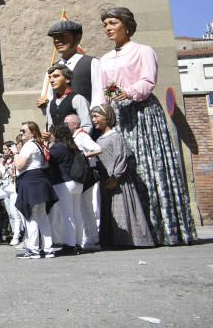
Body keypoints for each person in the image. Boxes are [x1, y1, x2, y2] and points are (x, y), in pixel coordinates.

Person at [99, 6, 196, 246]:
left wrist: (128, 92)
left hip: (142, 114)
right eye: (105, 25)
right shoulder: (105, 59)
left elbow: (148, 81)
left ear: (126, 25)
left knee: (148, 167)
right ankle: (131, 230)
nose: (108, 28)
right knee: (123, 170)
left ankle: (162, 228)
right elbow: (107, 87)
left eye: (112, 23)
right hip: (119, 116)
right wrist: (111, 101)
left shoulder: (143, 51)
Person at [91, 105, 154, 248]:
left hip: (118, 181)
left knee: (121, 209)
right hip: (105, 179)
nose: (94, 120)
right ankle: (112, 240)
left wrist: (115, 177)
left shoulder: (115, 136)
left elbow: (120, 157)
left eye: (96, 116)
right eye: (93, 116)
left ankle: (129, 240)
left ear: (107, 117)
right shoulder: (100, 138)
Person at [36, 18, 106, 109]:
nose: (57, 40)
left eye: (62, 36)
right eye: (55, 37)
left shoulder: (91, 63)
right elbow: (49, 97)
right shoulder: (52, 69)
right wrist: (44, 103)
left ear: (77, 37)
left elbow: (99, 94)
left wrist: (95, 116)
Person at [13, 122, 57, 259]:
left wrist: (15, 154)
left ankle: (33, 249)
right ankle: (48, 248)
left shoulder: (29, 145)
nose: (21, 133)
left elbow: (20, 165)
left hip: (31, 181)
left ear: (32, 132)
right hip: (40, 180)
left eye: (24, 131)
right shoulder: (38, 144)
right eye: (21, 131)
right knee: (42, 215)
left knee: (31, 216)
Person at [66, 113, 102, 251]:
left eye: (67, 123)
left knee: (86, 207)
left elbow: (98, 149)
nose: (65, 125)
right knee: (82, 207)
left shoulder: (82, 136)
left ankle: (92, 238)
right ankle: (88, 238)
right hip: (83, 175)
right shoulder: (75, 137)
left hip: (87, 174)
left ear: (75, 124)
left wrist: (82, 156)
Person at [48, 125, 84, 256]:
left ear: (56, 134)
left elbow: (47, 160)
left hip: (63, 183)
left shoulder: (57, 147)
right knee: (77, 213)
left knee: (67, 215)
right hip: (77, 182)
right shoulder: (72, 146)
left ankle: (70, 245)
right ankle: (78, 243)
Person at [0, 141, 24, 245]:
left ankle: (17, 236)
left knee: (15, 213)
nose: (3, 151)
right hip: (5, 187)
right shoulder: (5, 161)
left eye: (5, 149)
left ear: (11, 150)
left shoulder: (17, 158)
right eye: (3, 150)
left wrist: (6, 165)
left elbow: (13, 174)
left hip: (14, 188)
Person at [44, 63, 92, 131]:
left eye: (56, 76)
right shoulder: (51, 103)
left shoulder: (78, 99)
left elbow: (86, 126)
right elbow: (50, 127)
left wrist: (75, 141)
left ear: (67, 79)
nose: (51, 80)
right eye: (50, 77)